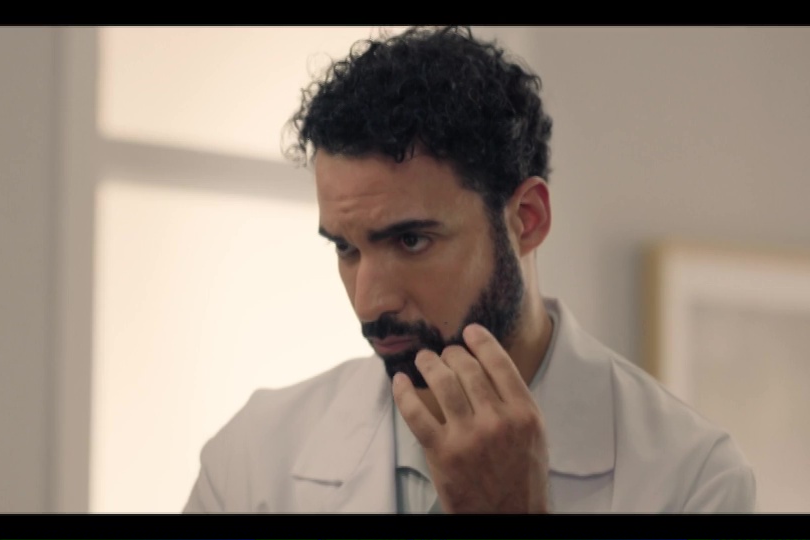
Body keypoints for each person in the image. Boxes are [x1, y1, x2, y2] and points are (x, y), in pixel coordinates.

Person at [182, 25, 756, 513]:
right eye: (346, 249)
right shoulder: (253, 457)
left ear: (527, 219)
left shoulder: (693, 478)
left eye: (410, 240)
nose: (369, 302)